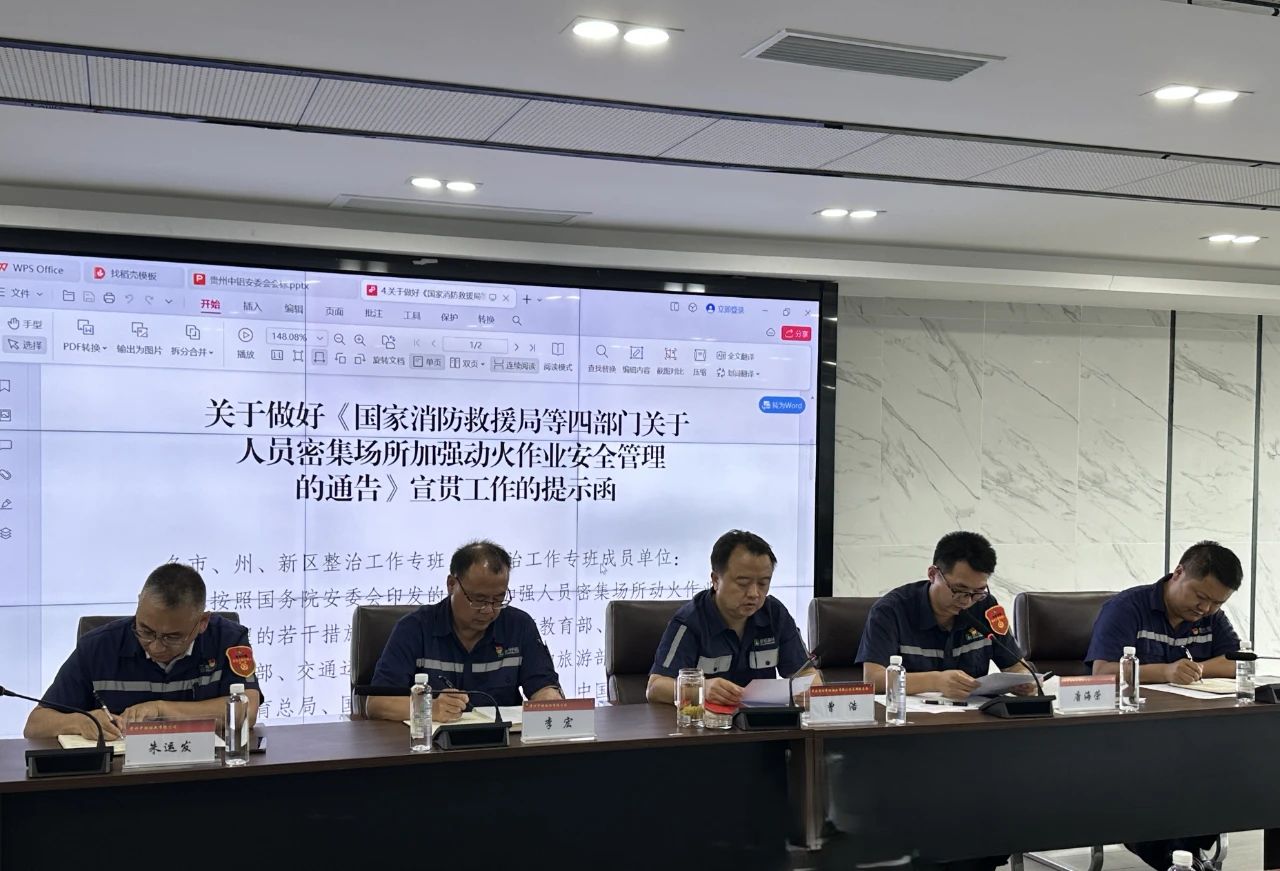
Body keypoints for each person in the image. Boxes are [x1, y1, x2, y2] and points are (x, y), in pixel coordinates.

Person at [1086, 540, 1243, 871]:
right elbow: (1103, 671)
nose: (1206, 609)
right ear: (1179, 572)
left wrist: (1199, 668)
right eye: (1200, 596)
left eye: (1217, 603)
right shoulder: (1127, 607)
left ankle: (1183, 856)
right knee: (1158, 788)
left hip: (1190, 734)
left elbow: (1235, 662)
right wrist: (1167, 671)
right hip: (1131, 737)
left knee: (1229, 772)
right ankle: (1176, 857)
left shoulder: (1211, 616)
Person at [24, 562, 262, 740]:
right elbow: (35, 725)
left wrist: (161, 709)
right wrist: (79, 722)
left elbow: (247, 710)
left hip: (205, 774)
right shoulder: (98, 646)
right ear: (139, 603)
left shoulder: (229, 639)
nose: (156, 646)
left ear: (202, 622)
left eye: (172, 637)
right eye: (146, 630)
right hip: (119, 780)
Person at [367, 540, 563, 722]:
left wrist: (549, 698)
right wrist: (430, 708)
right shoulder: (414, 628)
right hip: (434, 745)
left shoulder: (519, 626)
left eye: (498, 599)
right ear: (452, 584)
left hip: (503, 742)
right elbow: (376, 704)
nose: (489, 610)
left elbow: (543, 687)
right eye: (479, 600)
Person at [647, 529, 819, 707]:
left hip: (761, 719)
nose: (754, 593)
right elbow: (655, 687)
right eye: (743, 583)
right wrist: (701, 689)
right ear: (715, 580)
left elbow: (806, 673)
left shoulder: (775, 614)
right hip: (708, 721)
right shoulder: (689, 622)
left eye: (763, 583)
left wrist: (810, 689)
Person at [858, 530, 1034, 700]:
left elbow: (1015, 666)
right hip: (910, 716)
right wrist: (935, 681)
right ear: (933, 574)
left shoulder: (986, 606)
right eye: (959, 590)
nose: (967, 601)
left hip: (972, 714)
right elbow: (873, 679)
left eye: (978, 591)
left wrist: (1025, 680)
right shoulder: (890, 610)